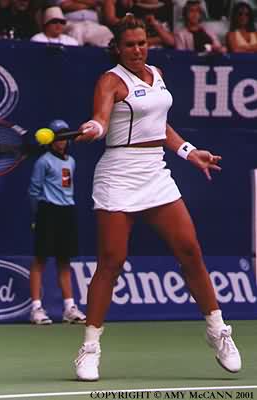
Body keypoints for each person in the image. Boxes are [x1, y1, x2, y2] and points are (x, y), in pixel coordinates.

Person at [73, 14, 242, 381]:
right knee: (111, 261)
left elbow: (159, 126)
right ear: (117, 47)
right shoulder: (111, 80)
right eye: (130, 44)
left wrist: (189, 151)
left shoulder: (156, 74)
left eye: (142, 43)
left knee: (190, 250)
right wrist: (95, 127)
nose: (137, 49)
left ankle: (218, 331)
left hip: (155, 173)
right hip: (118, 174)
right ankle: (89, 348)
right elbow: (101, 118)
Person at [29, 119, 86, 325]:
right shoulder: (43, 161)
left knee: (64, 261)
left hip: (67, 212)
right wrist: (36, 217)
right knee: (40, 260)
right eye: (58, 137)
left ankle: (69, 308)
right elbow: (34, 191)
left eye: (65, 137)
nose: (62, 141)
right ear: (51, 139)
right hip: (47, 212)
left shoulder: (71, 161)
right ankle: (36, 308)